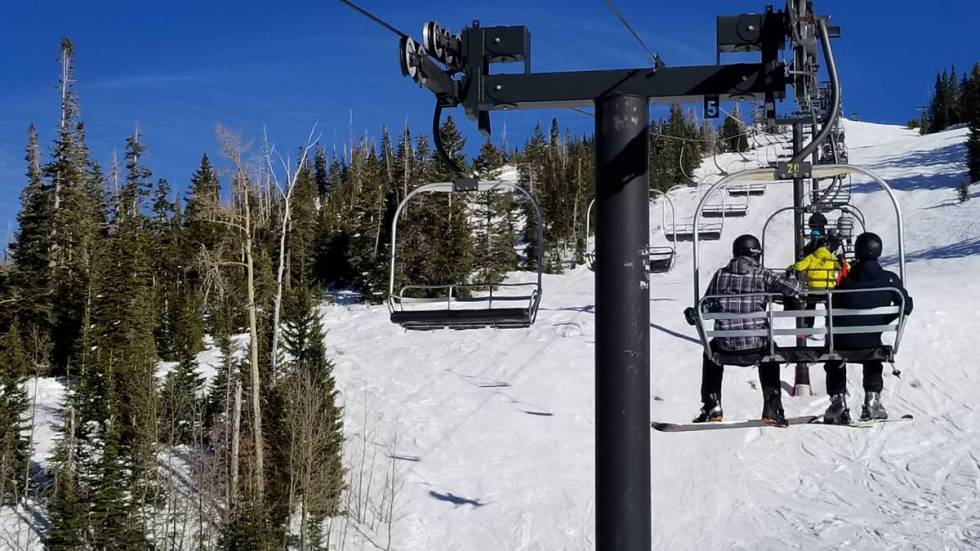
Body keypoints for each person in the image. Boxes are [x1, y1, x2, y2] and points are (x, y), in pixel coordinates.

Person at [684, 234, 806, 426]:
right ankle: (772, 408)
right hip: (756, 346)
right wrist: (793, 279)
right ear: (756, 254)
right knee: (770, 351)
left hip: (725, 347)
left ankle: (712, 405)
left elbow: (706, 305)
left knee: (710, 352)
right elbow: (795, 288)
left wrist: (694, 313)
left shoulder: (721, 275)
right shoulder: (762, 274)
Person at [822, 232, 913, 424]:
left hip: (843, 342)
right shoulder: (889, 279)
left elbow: (832, 307)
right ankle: (872, 401)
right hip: (871, 339)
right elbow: (907, 305)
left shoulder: (845, 280)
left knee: (835, 353)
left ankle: (838, 402)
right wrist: (882, 319)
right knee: (873, 351)